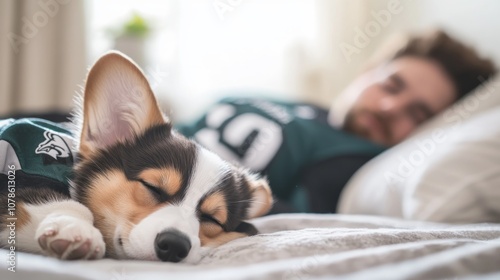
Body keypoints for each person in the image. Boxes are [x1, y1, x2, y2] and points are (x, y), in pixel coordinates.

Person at [177, 29, 497, 214]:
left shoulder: (351, 161)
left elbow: (285, 221)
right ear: (366, 71)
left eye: (417, 114)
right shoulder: (298, 107)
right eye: (390, 85)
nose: (389, 107)